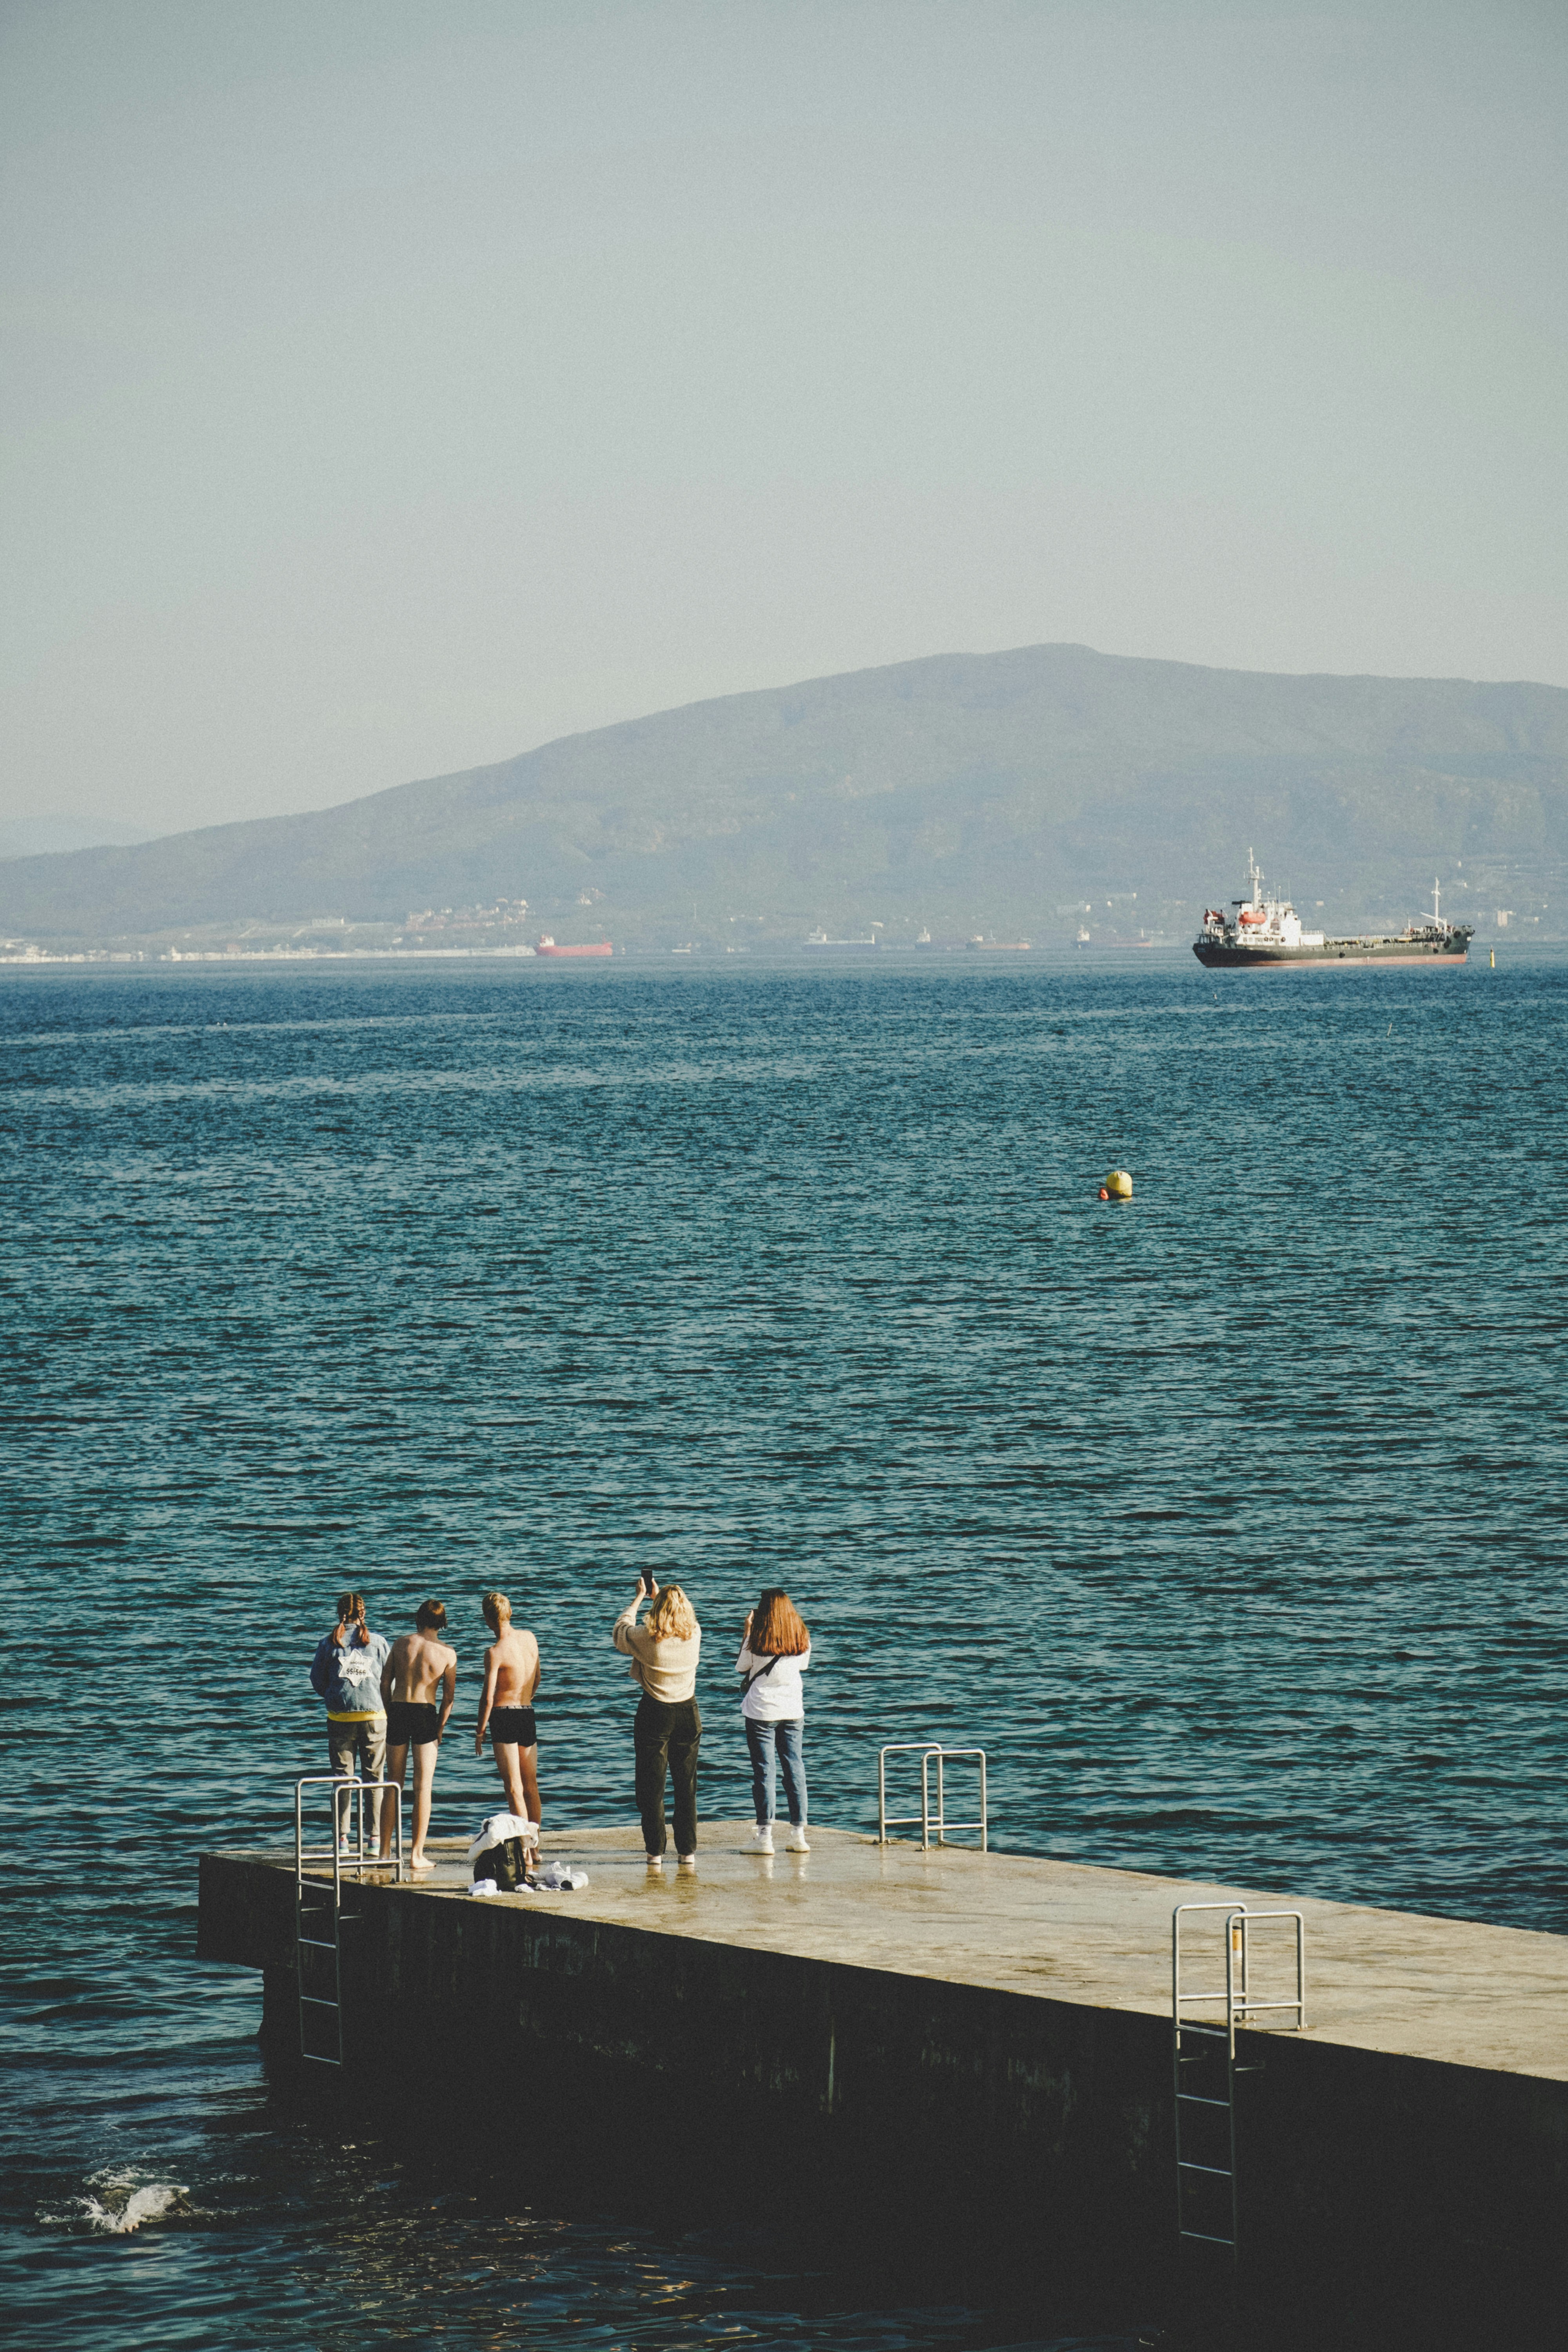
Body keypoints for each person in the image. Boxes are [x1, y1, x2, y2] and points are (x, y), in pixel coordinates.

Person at [612, 1574, 701, 1869]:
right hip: (688, 1712)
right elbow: (673, 1621)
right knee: (686, 1786)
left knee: (652, 1787)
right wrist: (659, 1596)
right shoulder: (696, 1633)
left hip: (655, 1712)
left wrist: (640, 1597)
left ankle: (655, 1852)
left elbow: (619, 1632)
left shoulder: (647, 1638)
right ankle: (687, 1852)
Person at [309, 1591, 391, 1851]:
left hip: (340, 1718)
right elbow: (391, 1679)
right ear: (364, 1614)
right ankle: (374, 1839)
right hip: (375, 1718)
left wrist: (335, 1696)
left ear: (340, 1614)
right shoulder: (378, 1643)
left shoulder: (328, 1644)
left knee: (342, 1779)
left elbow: (317, 1681)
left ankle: (342, 1840)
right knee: (374, 1778)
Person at [378, 1601, 456, 1871]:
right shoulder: (447, 1653)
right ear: (443, 1623)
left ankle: (385, 1852)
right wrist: (441, 1728)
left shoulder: (401, 1644)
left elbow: (384, 1682)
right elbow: (448, 1699)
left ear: (418, 1618)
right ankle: (416, 1855)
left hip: (399, 1710)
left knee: (393, 1784)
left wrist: (390, 1711)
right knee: (423, 1787)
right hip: (425, 1714)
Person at [736, 1588, 811, 1855]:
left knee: (765, 1772)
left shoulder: (757, 1637)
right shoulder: (801, 1634)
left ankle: (765, 1838)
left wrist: (747, 1631)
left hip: (761, 1712)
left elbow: (741, 1667)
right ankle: (798, 1835)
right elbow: (803, 1665)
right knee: (795, 1768)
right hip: (793, 1709)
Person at [474, 1591, 542, 1826]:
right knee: (531, 1786)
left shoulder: (495, 1653)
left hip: (504, 1716)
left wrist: (480, 1731)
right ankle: (534, 1848)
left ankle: (523, 1847)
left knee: (514, 1787)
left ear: (488, 1620)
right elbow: (538, 1679)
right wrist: (525, 1698)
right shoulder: (530, 1639)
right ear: (509, 1613)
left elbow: (488, 1698)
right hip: (527, 1712)